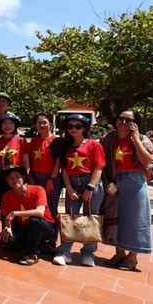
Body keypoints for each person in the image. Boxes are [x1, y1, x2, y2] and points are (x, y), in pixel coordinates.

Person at [100, 109, 153, 271]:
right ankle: (119, 253)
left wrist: (136, 140)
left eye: (128, 119)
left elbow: (146, 161)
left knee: (135, 219)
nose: (123, 122)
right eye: (120, 118)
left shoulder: (143, 139)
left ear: (135, 123)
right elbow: (101, 163)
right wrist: (107, 182)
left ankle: (132, 257)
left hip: (134, 180)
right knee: (115, 217)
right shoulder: (108, 139)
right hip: (114, 180)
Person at [54, 114, 105, 267]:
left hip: (91, 182)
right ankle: (64, 252)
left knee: (91, 217)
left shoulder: (94, 145)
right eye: (70, 126)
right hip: (73, 183)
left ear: (85, 128)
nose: (74, 129)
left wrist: (91, 187)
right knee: (71, 217)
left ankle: (88, 253)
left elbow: (98, 167)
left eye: (78, 126)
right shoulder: (65, 146)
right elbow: (64, 170)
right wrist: (69, 188)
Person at [0, 165, 56, 265]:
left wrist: (15, 213)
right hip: (24, 227)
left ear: (23, 178)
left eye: (17, 177)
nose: (14, 180)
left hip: (44, 227)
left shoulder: (38, 189)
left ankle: (32, 254)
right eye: (11, 178)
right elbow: (6, 217)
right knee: (3, 239)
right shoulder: (7, 196)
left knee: (34, 220)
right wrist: (7, 228)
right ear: (7, 181)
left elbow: (40, 212)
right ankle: (38, 245)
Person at [27, 113, 62, 242]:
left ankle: (51, 240)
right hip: (35, 177)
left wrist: (51, 180)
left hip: (50, 178)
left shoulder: (56, 141)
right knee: (37, 208)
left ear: (50, 124)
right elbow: (29, 160)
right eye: (39, 122)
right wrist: (30, 177)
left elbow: (58, 162)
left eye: (44, 122)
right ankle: (38, 238)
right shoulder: (33, 141)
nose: (42, 125)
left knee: (51, 209)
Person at [0, 113, 28, 212]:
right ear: (0, 126)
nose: (8, 126)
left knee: (18, 202)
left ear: (15, 125)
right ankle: (5, 226)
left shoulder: (21, 140)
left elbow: (26, 161)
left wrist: (27, 178)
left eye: (10, 123)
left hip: (17, 177)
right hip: (2, 176)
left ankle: (18, 227)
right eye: (5, 123)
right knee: (4, 203)